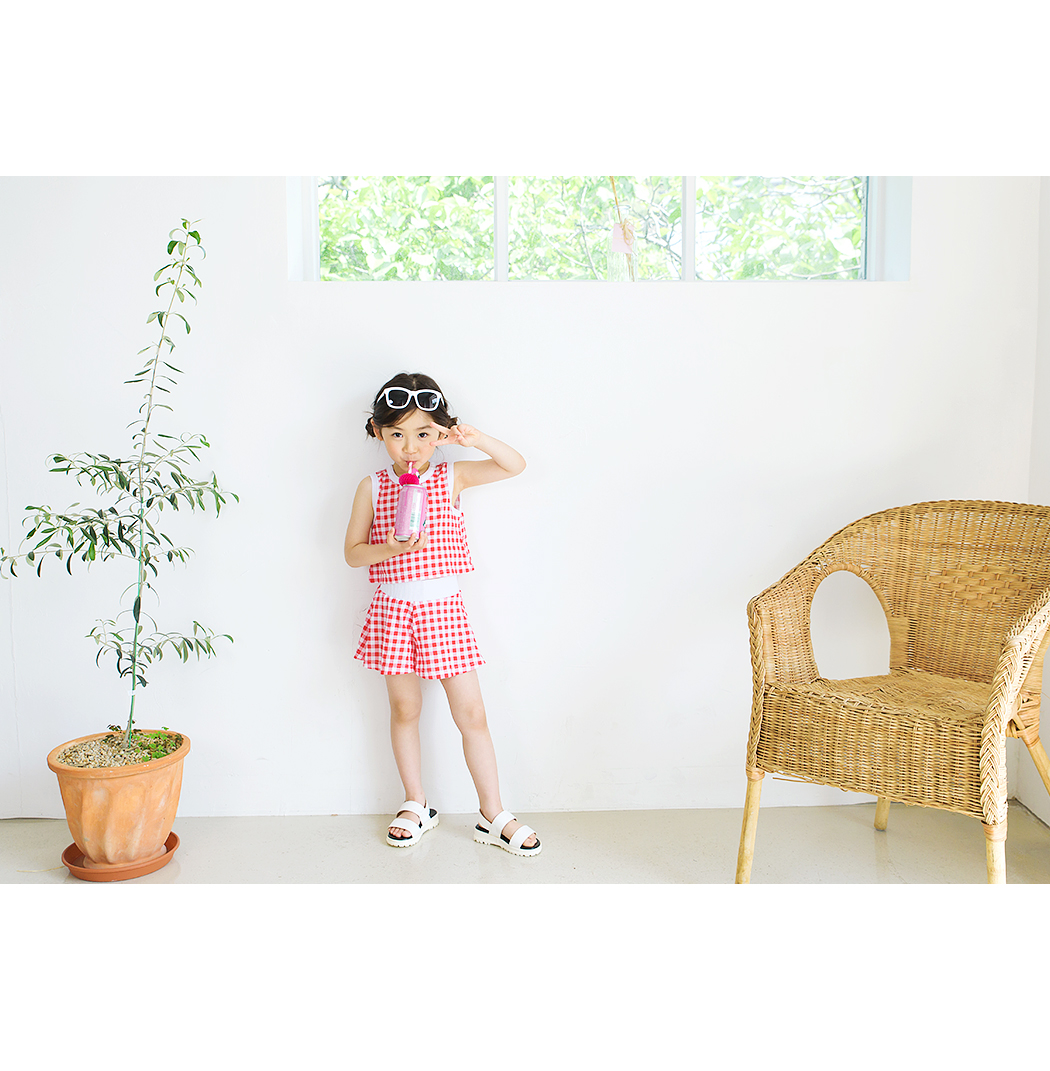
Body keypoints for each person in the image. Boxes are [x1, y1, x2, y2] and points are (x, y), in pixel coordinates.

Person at [343, 372, 541, 857]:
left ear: (440, 433)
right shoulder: (372, 486)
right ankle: (415, 802)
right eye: (397, 434)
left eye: (423, 433)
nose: (410, 447)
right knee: (404, 710)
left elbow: (514, 465)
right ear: (378, 432)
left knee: (471, 713)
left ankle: (493, 813)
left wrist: (476, 439)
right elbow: (352, 553)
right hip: (394, 610)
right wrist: (391, 548)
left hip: (443, 610)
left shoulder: (451, 476)